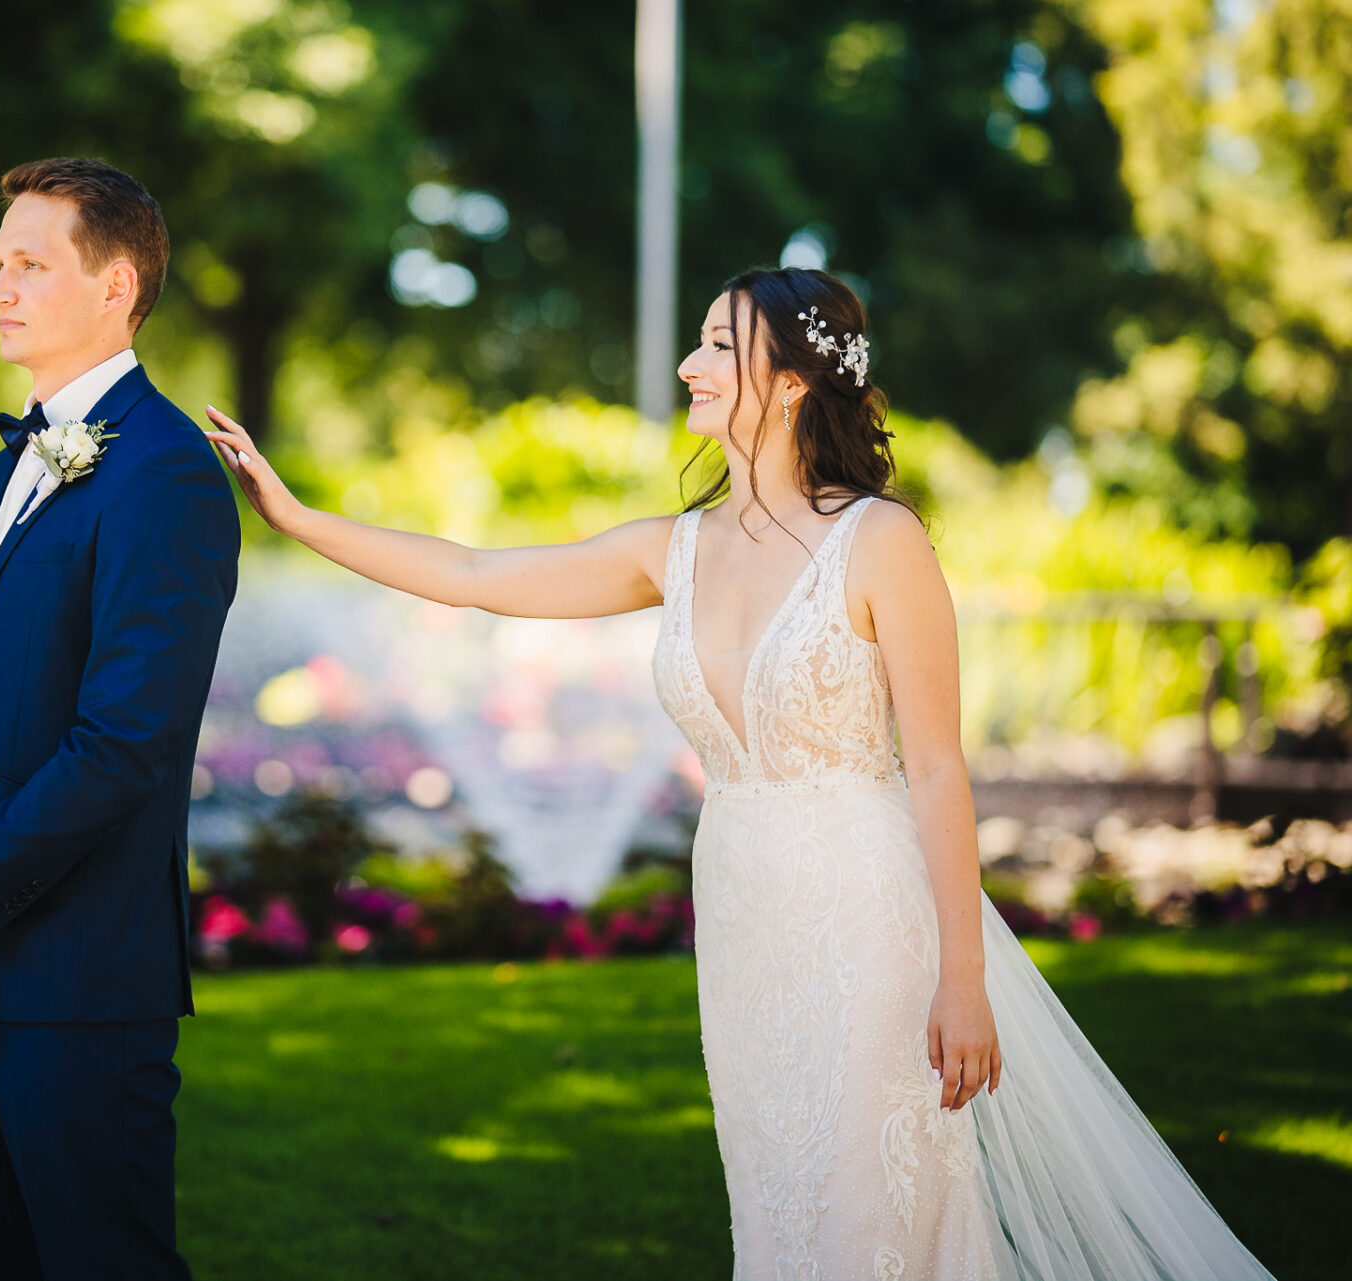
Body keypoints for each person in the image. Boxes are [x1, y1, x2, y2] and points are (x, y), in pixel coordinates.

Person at [201, 266, 1276, 1280]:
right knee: (778, 1194)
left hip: (867, 912)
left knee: (873, 1200)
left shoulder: (880, 540)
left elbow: (940, 770)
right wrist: (296, 517)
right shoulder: (669, 550)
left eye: (720, 343)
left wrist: (963, 975)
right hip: (744, 912)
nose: (690, 364)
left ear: (796, 384)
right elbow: (478, 575)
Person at [0, 157, 238, 1281]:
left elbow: (125, 744)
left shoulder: (167, 475)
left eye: (29, 264)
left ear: (116, 285)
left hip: (78, 980)